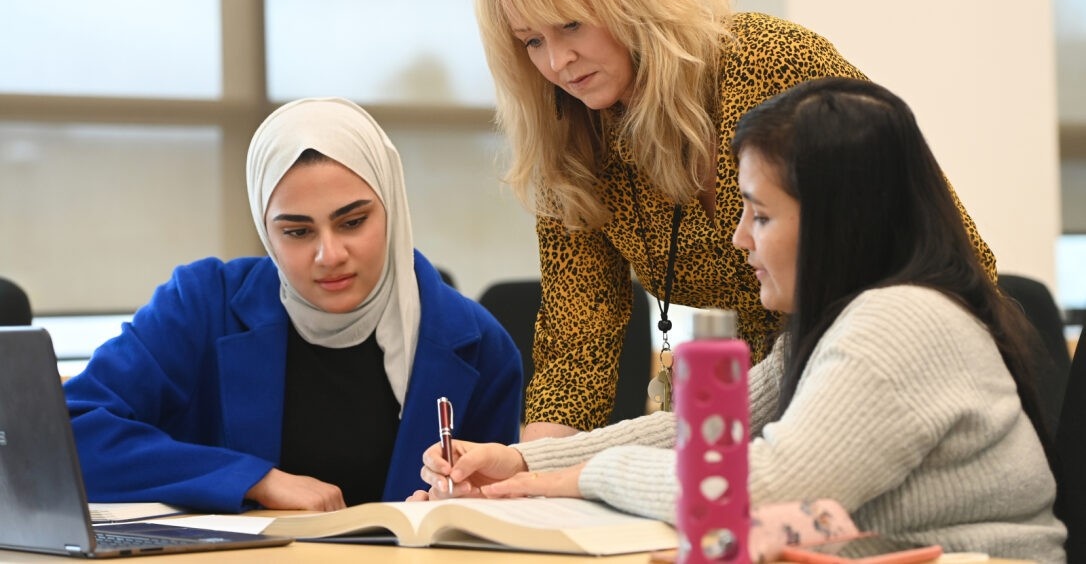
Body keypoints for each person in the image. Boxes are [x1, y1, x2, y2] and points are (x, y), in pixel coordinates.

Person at [413, 78, 1065, 561]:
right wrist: (519, 463)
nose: (738, 240)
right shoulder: (844, 321)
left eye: (760, 214)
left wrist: (571, 477)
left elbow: (757, 484)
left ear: (838, 220)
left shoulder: (900, 323)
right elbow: (700, 434)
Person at [475, 0, 996, 439]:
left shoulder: (772, 63)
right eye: (531, 41)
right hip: (749, 412)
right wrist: (525, 480)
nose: (557, 61)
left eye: (571, 24)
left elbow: (949, 259)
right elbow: (575, 351)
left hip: (887, 381)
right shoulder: (571, 138)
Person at [64, 97, 522, 513]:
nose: (330, 255)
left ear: (393, 208)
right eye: (297, 232)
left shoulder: (480, 346)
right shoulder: (202, 305)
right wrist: (253, 480)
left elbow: (496, 518)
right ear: (266, 230)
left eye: (353, 221)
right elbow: (65, 434)